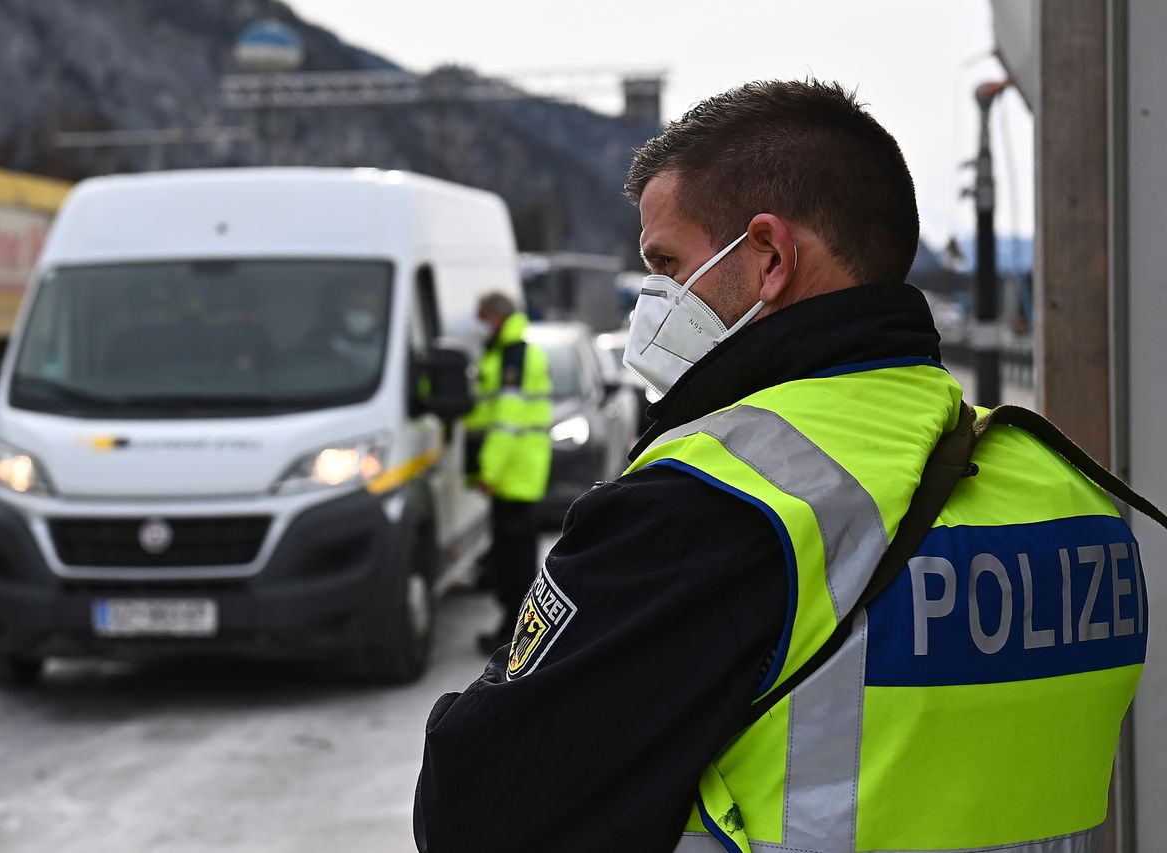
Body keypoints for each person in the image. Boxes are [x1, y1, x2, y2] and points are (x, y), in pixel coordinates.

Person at [415, 80, 1157, 853]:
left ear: (768, 256)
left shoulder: (709, 502)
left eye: (666, 263)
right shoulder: (1073, 495)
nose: (654, 298)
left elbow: (474, 808)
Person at [464, 292, 552, 654]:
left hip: (513, 471)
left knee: (513, 558)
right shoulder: (505, 351)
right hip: (516, 469)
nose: (481, 324)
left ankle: (514, 633)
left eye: (483, 316)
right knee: (513, 553)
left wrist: (489, 470)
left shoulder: (513, 354)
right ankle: (516, 628)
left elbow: (507, 422)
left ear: (496, 316)